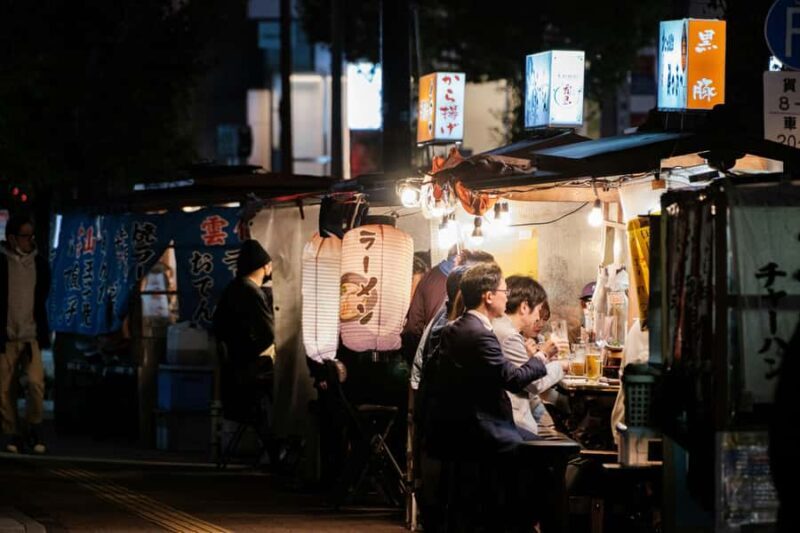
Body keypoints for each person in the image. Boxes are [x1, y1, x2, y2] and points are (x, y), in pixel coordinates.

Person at [0, 214, 51, 454]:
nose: (29, 240)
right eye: (25, 236)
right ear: (12, 238)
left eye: (31, 235)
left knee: (35, 383)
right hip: (6, 336)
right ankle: (12, 432)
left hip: (31, 335)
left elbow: (42, 296)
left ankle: (33, 426)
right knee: (4, 389)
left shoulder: (39, 264)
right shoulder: (2, 262)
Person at [493, 276, 567, 437]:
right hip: (515, 425)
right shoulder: (509, 336)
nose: (538, 319)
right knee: (573, 447)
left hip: (507, 421)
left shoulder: (502, 328)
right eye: (539, 310)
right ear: (524, 307)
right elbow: (535, 384)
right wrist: (560, 364)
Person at [212, 239, 275, 424]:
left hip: (234, 368)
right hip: (248, 369)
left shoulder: (234, 287)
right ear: (265, 266)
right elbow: (268, 334)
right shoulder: (250, 291)